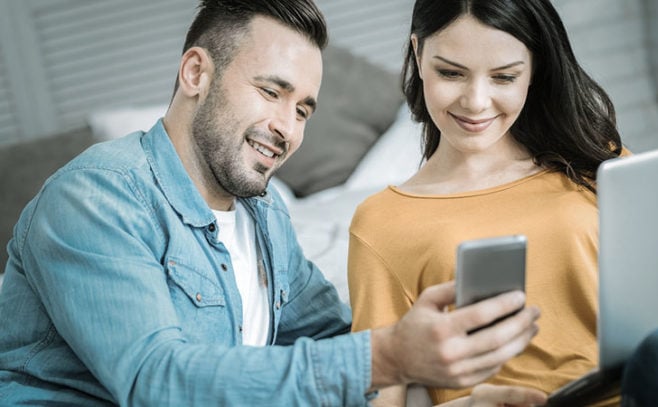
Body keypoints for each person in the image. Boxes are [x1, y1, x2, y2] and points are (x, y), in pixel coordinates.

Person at [0, 0, 543, 405]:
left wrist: (434, 396)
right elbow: (155, 380)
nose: (286, 127)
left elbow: (335, 342)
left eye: (304, 109)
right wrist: (387, 355)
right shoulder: (97, 197)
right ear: (196, 73)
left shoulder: (264, 218)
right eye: (270, 91)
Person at [348, 0, 621, 405]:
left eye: (504, 77)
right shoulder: (382, 223)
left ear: (534, 71)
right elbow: (382, 395)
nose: (476, 102)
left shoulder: (594, 160)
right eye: (451, 73)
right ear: (418, 54)